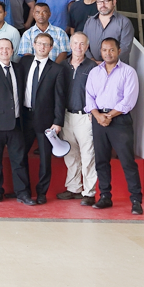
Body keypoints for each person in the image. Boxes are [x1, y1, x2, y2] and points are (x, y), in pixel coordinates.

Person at [86, 37, 143, 214]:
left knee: (127, 161)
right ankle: (105, 196)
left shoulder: (128, 72)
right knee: (101, 160)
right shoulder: (94, 72)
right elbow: (89, 97)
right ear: (100, 52)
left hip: (119, 120)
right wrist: (98, 116)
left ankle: (136, 200)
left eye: (111, 50)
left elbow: (129, 100)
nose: (108, 53)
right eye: (104, 50)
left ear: (119, 51)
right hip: (98, 119)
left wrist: (109, 115)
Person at [0, 37, 35, 205]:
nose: (4, 51)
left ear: (12, 50)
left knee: (19, 160)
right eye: (1, 48)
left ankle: (22, 193)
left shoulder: (19, 68)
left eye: (7, 48)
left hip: (16, 123)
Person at [16, 32, 68, 203]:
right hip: (24, 117)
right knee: (20, 154)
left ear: (51, 48)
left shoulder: (57, 70)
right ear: (34, 45)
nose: (42, 47)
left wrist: (58, 122)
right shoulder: (24, 62)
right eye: (39, 43)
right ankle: (23, 190)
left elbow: (60, 98)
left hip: (46, 121)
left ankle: (41, 193)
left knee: (45, 159)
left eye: (46, 44)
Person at [57, 32, 99, 205]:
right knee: (71, 154)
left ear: (87, 47)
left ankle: (89, 192)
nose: (78, 47)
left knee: (88, 155)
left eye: (82, 44)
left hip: (85, 117)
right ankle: (73, 188)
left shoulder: (93, 67)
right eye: (75, 43)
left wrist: (94, 112)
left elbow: (98, 91)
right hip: (66, 116)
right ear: (70, 45)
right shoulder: (62, 66)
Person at [84, 0, 135, 64]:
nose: (102, 5)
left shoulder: (124, 23)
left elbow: (125, 49)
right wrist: (92, 61)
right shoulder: (89, 22)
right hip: (93, 66)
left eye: (106, 1)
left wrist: (105, 65)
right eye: (99, 2)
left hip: (116, 68)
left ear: (114, 2)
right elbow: (84, 44)